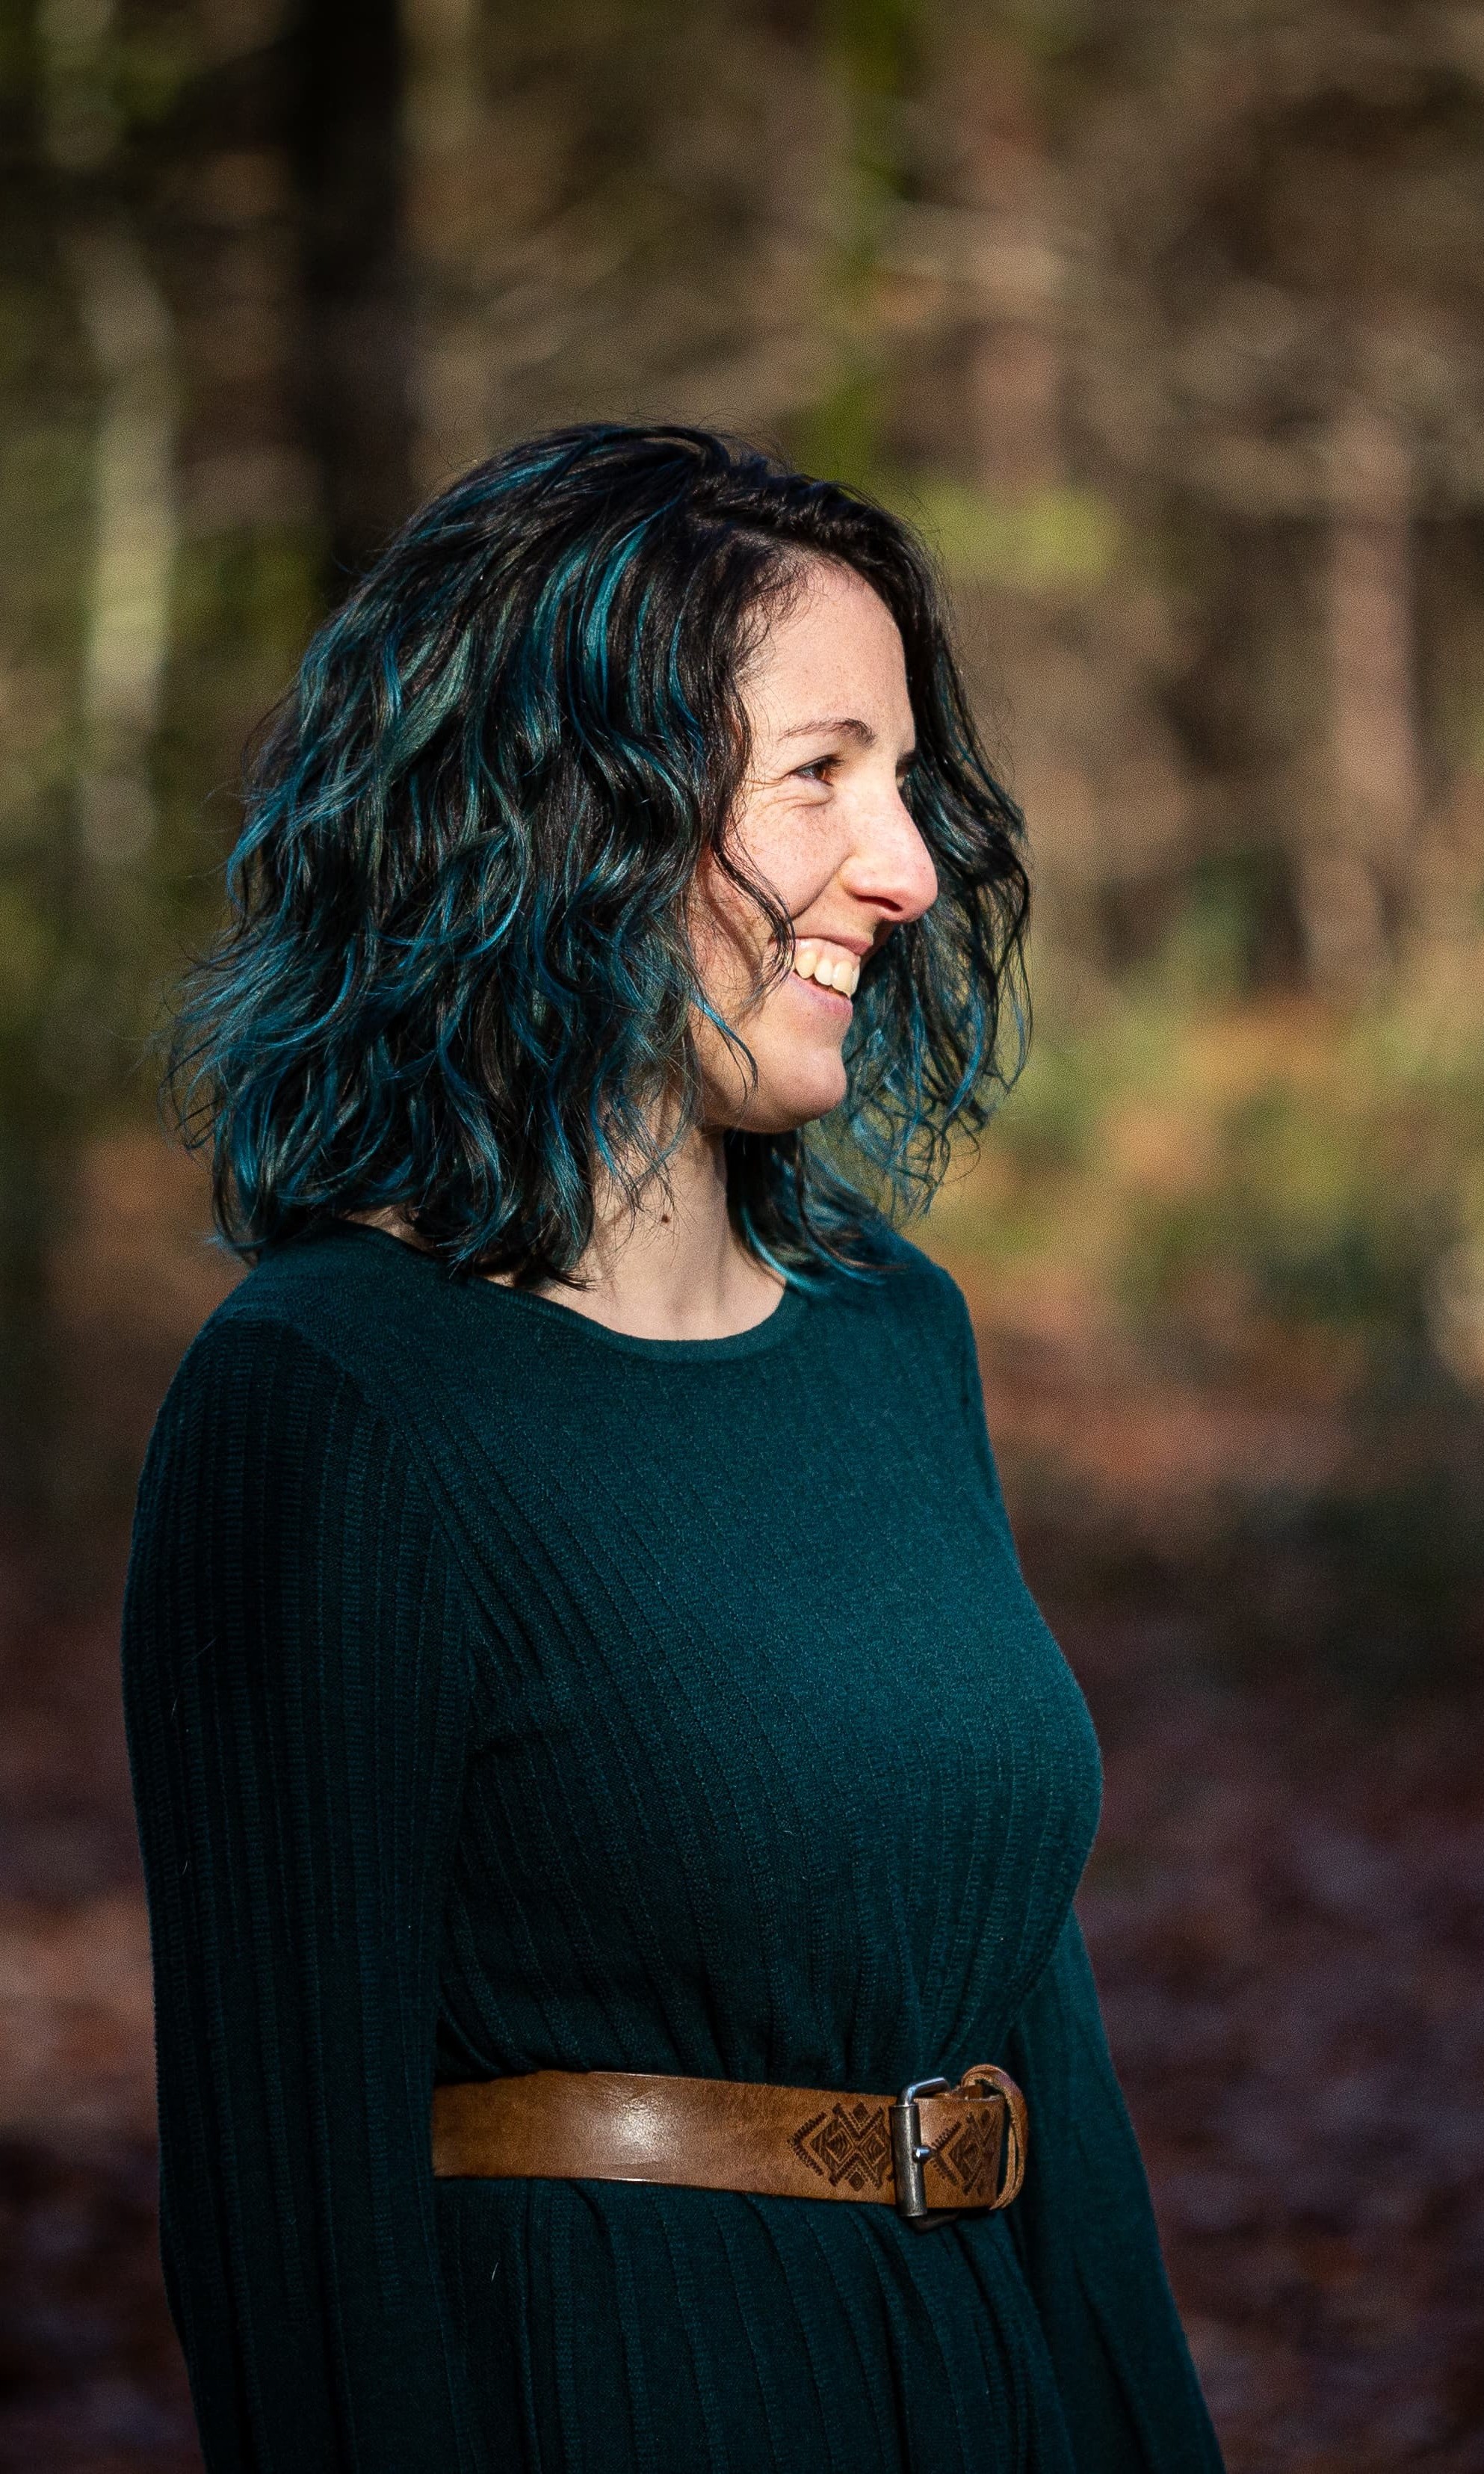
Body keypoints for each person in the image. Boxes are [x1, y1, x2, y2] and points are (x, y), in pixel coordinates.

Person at [123, 424, 1223, 2473]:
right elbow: (293, 2237)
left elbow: (1021, 2028)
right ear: (566, 818)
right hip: (616, 2401)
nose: (905, 866)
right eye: (820, 774)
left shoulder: (894, 1336)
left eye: (901, 780)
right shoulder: (332, 1404)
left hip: (989, 2395)